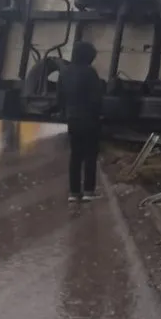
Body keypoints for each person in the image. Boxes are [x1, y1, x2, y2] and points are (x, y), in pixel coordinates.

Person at [57, 41, 104, 202]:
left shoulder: (65, 72)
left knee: (75, 156)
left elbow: (60, 97)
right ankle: (89, 191)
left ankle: (74, 192)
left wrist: (65, 112)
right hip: (89, 119)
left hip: (73, 119)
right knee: (90, 155)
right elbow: (96, 99)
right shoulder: (90, 73)